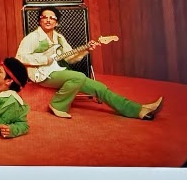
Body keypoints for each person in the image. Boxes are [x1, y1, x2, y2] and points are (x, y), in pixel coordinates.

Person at [15, 7, 162, 120]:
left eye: (52, 18)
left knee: (99, 88)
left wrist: (86, 49)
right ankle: (58, 104)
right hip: (41, 74)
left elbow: (70, 58)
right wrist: (44, 60)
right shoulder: (32, 37)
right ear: (39, 21)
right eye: (44, 17)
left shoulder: (59, 37)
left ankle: (138, 110)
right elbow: (20, 57)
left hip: (56, 71)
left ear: (57, 22)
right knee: (78, 76)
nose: (48, 20)